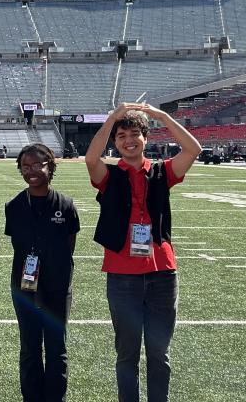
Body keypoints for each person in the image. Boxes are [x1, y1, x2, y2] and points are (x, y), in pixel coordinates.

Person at [85, 103, 201, 402]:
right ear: (115, 141)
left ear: (146, 138)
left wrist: (162, 116)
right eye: (121, 135)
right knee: (126, 355)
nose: (128, 140)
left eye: (135, 133)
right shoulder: (110, 176)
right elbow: (91, 158)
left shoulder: (163, 171)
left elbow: (193, 149)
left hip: (163, 273)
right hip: (122, 275)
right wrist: (111, 118)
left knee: (159, 354)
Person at [5, 143, 79, 402]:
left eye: (38, 165)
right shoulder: (14, 205)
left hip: (57, 286)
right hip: (24, 288)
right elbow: (17, 244)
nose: (32, 171)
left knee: (57, 348)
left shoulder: (66, 205)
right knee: (29, 348)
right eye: (26, 166)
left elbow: (69, 244)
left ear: (51, 166)